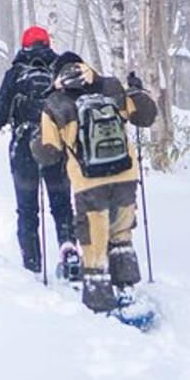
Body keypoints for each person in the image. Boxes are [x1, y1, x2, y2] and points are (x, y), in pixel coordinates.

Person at [31, 60, 157, 312]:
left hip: (89, 182)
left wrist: (36, 139)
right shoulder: (110, 86)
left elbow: (48, 153)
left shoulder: (55, 103)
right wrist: (137, 92)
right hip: (125, 174)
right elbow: (146, 116)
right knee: (121, 233)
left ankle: (100, 299)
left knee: (93, 238)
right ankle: (126, 289)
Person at [0, 26, 80, 274]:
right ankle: (68, 249)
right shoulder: (59, 73)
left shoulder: (15, 74)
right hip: (56, 148)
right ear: (47, 44)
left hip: (23, 151)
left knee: (27, 209)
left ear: (24, 45)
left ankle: (31, 265)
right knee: (62, 205)